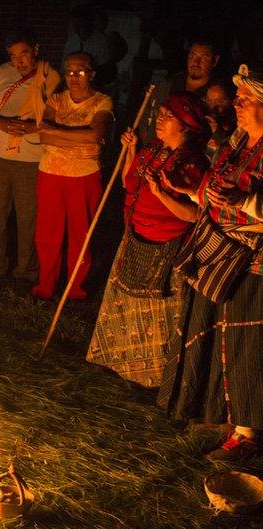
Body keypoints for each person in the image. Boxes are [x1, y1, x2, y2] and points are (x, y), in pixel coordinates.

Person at [159, 65, 263, 462]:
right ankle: (218, 413)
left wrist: (244, 203)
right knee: (213, 332)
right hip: (215, 254)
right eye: (237, 98)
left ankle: (247, 432)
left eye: (247, 99)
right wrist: (195, 191)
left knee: (245, 344)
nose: (237, 104)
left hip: (252, 263)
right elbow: (218, 195)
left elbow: (242, 204)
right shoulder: (238, 142)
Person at [87, 93, 208, 387]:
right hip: (134, 235)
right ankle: (119, 362)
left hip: (167, 244)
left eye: (168, 117)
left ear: (184, 126)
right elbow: (129, 182)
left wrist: (163, 195)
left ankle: (154, 376)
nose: (159, 120)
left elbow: (194, 214)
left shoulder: (191, 164)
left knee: (157, 314)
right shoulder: (152, 149)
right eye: (160, 113)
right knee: (126, 302)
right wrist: (131, 150)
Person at [26, 52, 113, 300]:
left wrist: (59, 132)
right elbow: (44, 136)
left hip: (84, 174)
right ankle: (46, 284)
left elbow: (95, 134)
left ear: (92, 74)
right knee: (48, 233)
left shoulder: (102, 102)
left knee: (80, 233)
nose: (74, 78)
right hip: (51, 172)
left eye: (80, 72)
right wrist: (80, 135)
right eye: (69, 72)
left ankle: (75, 287)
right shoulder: (56, 99)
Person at [0, 28, 61, 282]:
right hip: (0, 155)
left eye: (23, 54)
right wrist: (1, 124)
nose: (19, 61)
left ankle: (27, 270)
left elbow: (57, 116)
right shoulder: (3, 73)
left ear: (35, 50)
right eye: (13, 56)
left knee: (29, 218)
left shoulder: (51, 77)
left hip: (32, 159)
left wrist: (32, 128)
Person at [138, 37, 220, 144]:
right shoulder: (168, 85)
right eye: (192, 55)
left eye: (204, 58)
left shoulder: (216, 97)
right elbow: (147, 117)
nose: (196, 62)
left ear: (215, 60)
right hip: (153, 151)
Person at [204, 80, 237, 157]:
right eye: (209, 100)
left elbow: (230, 152)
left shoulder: (239, 124)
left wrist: (217, 132)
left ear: (231, 100)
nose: (213, 106)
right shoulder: (203, 119)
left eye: (219, 101)